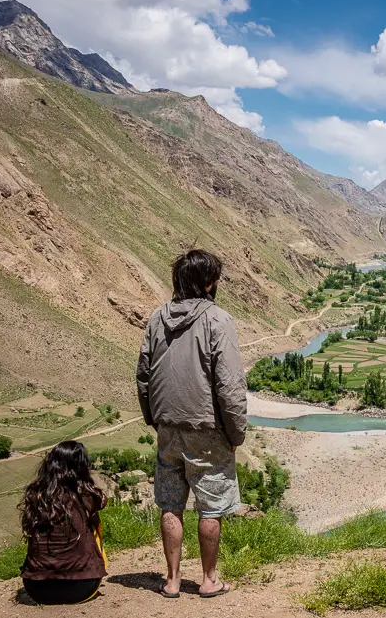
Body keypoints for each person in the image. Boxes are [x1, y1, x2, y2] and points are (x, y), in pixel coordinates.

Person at [136, 249, 248, 599]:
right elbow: (229, 385)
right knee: (211, 503)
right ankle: (209, 579)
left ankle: (171, 580)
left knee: (171, 503)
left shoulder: (157, 319)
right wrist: (235, 433)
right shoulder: (217, 320)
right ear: (210, 283)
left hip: (168, 426)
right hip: (206, 429)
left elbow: (143, 376)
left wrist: (154, 420)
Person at [19, 441, 108, 605]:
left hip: (37, 589)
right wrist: (87, 479)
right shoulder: (87, 495)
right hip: (82, 588)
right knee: (93, 522)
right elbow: (103, 501)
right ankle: (92, 565)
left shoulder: (34, 494)